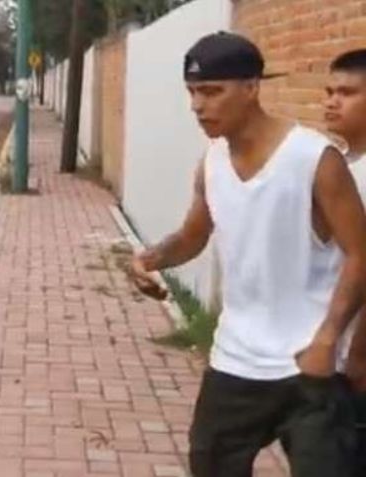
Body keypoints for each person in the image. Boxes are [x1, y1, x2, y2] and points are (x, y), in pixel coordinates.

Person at [128, 32, 366, 476]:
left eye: (212, 91)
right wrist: (150, 259)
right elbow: (192, 236)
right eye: (193, 93)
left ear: (252, 87)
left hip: (309, 367)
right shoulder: (212, 162)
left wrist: (329, 338)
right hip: (234, 361)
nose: (198, 106)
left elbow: (360, 254)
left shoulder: (315, 159)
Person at [323, 48, 366, 475]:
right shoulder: (343, 166)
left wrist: (359, 356)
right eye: (329, 91)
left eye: (347, 92)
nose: (332, 101)